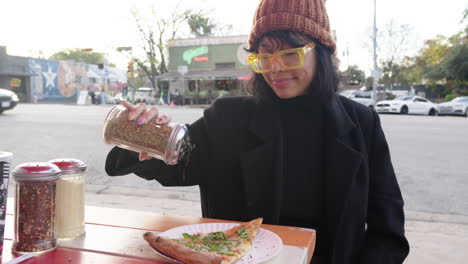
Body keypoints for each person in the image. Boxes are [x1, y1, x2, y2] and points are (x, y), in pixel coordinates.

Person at [105, 0, 409, 263]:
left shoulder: (361, 123)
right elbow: (177, 165)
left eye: (290, 54)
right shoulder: (230, 117)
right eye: (264, 57)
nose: (275, 69)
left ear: (323, 52)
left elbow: (388, 230)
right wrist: (142, 134)